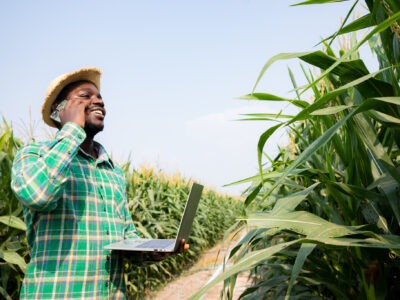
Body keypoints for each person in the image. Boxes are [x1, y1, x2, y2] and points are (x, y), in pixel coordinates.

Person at [11, 67, 188, 299]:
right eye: (85, 96)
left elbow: (126, 238)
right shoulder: (35, 154)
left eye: (100, 98)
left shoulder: (112, 171)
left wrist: (154, 252)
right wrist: (72, 130)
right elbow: (37, 194)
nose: (98, 102)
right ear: (60, 110)